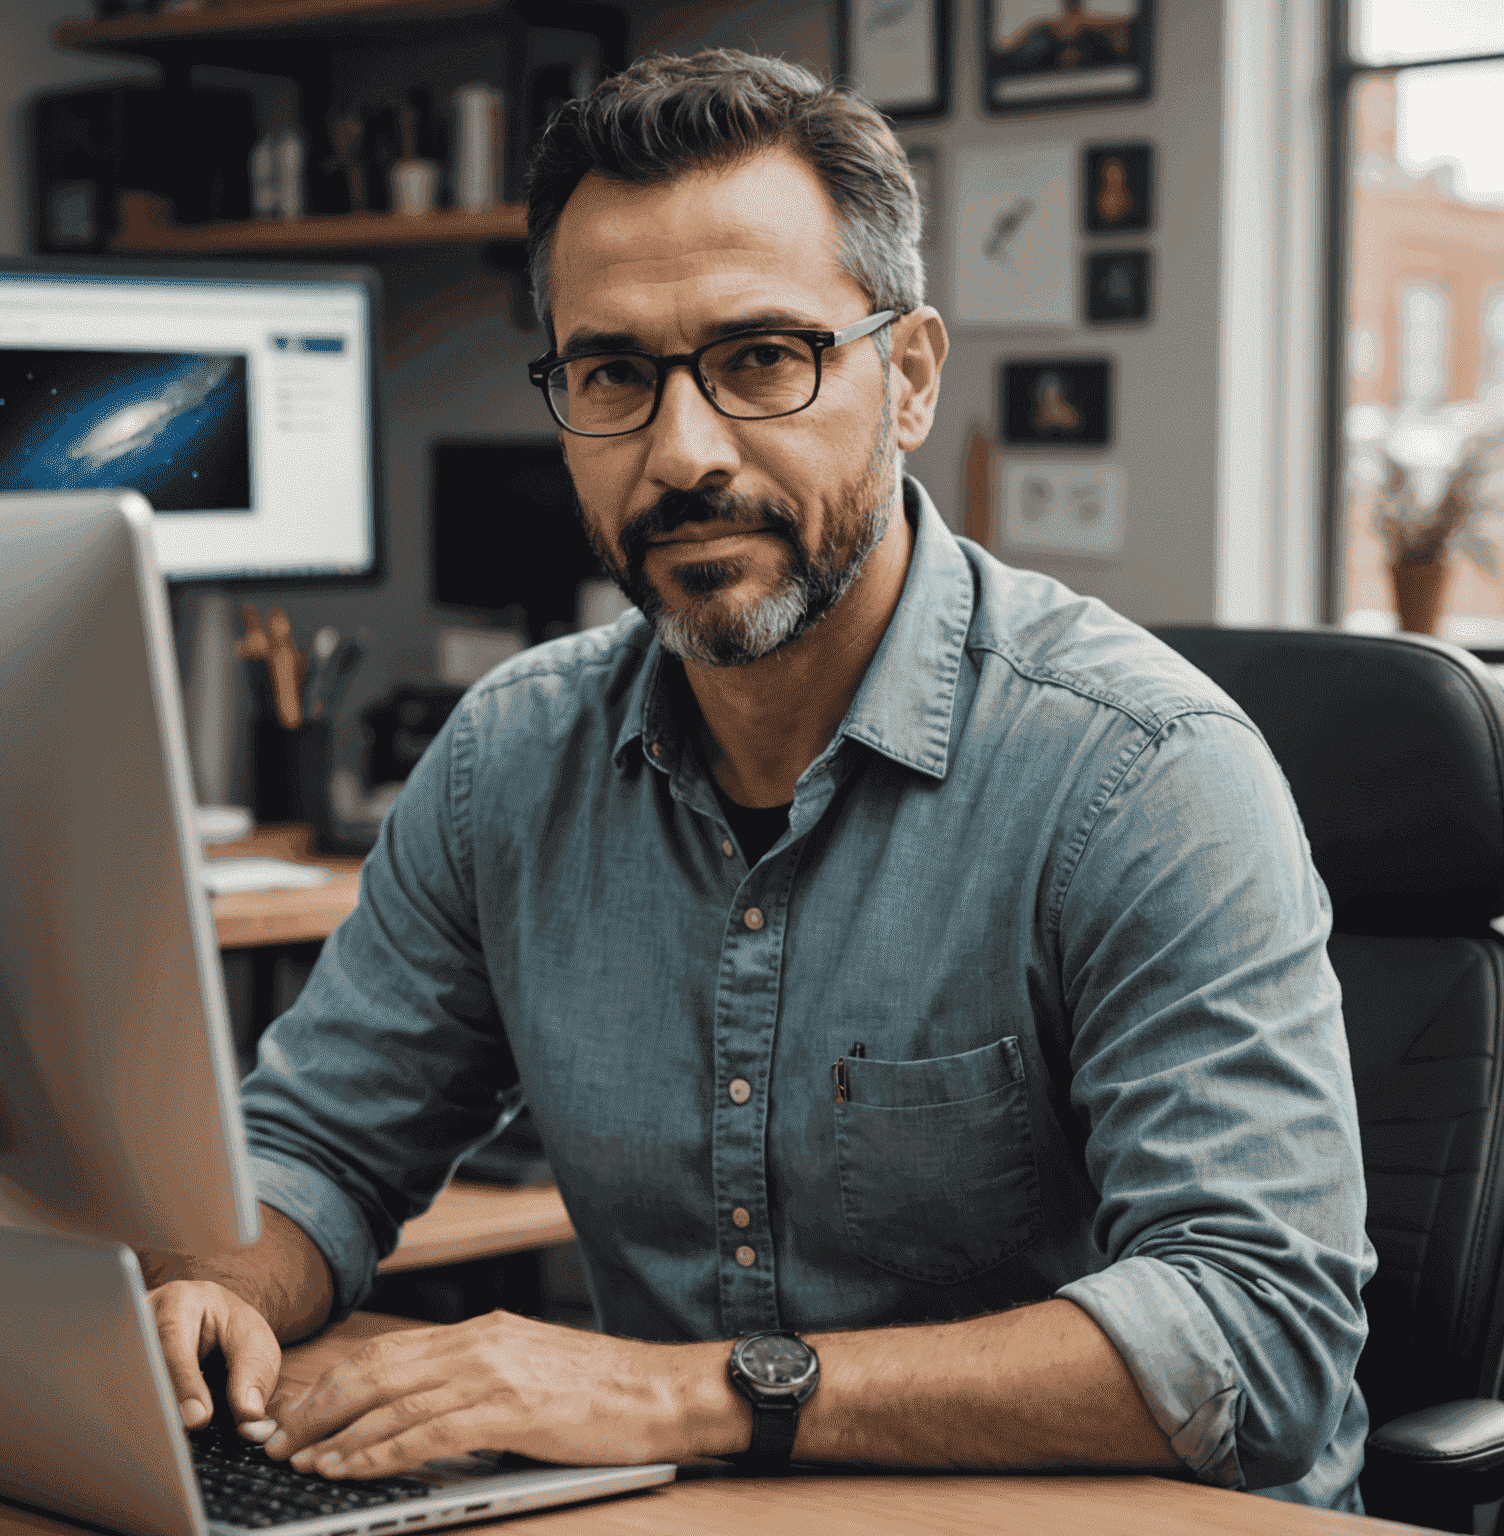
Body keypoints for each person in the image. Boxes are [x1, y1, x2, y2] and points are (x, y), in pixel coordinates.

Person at [142, 49, 1375, 1511]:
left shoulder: (1142, 775)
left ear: (906, 378)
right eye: (611, 372)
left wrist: (681, 1392)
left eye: (761, 360)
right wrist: (218, 1291)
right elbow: (318, 1146)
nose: (682, 452)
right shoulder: (506, 762)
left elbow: (1263, 1336)